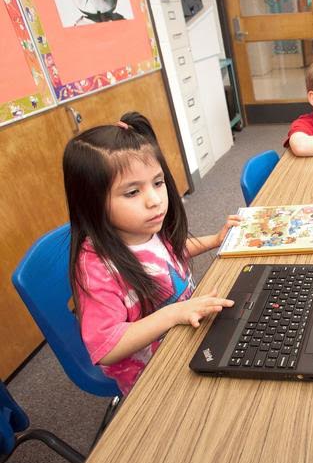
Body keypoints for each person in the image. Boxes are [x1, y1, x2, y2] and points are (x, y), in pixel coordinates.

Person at [63, 112, 239, 395]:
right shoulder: (96, 266)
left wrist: (214, 240)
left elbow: (169, 256)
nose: (155, 200)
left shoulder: (143, 229)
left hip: (183, 336)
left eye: (158, 183)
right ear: (92, 202)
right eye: (132, 192)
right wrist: (173, 315)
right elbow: (106, 346)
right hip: (151, 377)